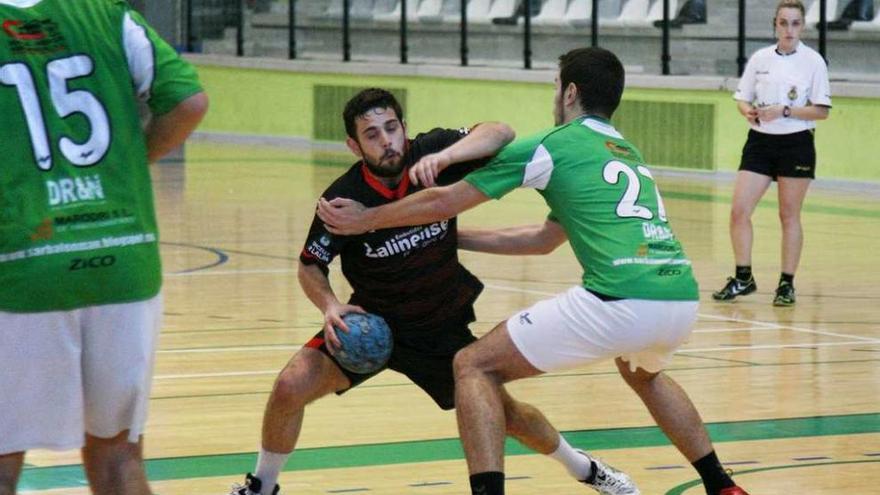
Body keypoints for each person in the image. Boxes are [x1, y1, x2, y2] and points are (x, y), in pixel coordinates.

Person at [316, 48, 750, 495]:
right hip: (679, 298)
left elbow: (443, 201)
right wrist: (456, 238)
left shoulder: (552, 145)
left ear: (571, 91)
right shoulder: (622, 149)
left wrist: (366, 220)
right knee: (645, 375)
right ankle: (721, 485)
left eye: (555, 85)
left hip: (620, 298)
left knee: (472, 366)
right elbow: (542, 240)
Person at [226, 88, 637, 495]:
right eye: (372, 135)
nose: (387, 141)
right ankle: (261, 486)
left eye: (392, 128)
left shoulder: (433, 153)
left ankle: (587, 469)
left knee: (509, 415)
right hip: (372, 326)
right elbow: (310, 265)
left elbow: (500, 132)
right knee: (289, 386)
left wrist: (448, 156)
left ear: (404, 127)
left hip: (440, 329)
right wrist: (330, 305)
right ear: (354, 145)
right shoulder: (341, 200)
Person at [0, 0, 207, 494]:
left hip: (23, 265)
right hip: (124, 258)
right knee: (118, 455)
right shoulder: (108, 14)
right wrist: (134, 162)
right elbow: (189, 101)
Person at [712, 0, 831, 306]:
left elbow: (821, 111)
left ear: (802, 26)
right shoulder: (761, 58)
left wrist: (786, 110)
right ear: (775, 25)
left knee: (788, 215)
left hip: (796, 143)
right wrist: (748, 111)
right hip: (760, 142)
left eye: (794, 23)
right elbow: (742, 97)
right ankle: (743, 277)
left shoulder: (813, 62)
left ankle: (786, 283)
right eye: (783, 23)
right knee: (739, 211)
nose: (789, 29)